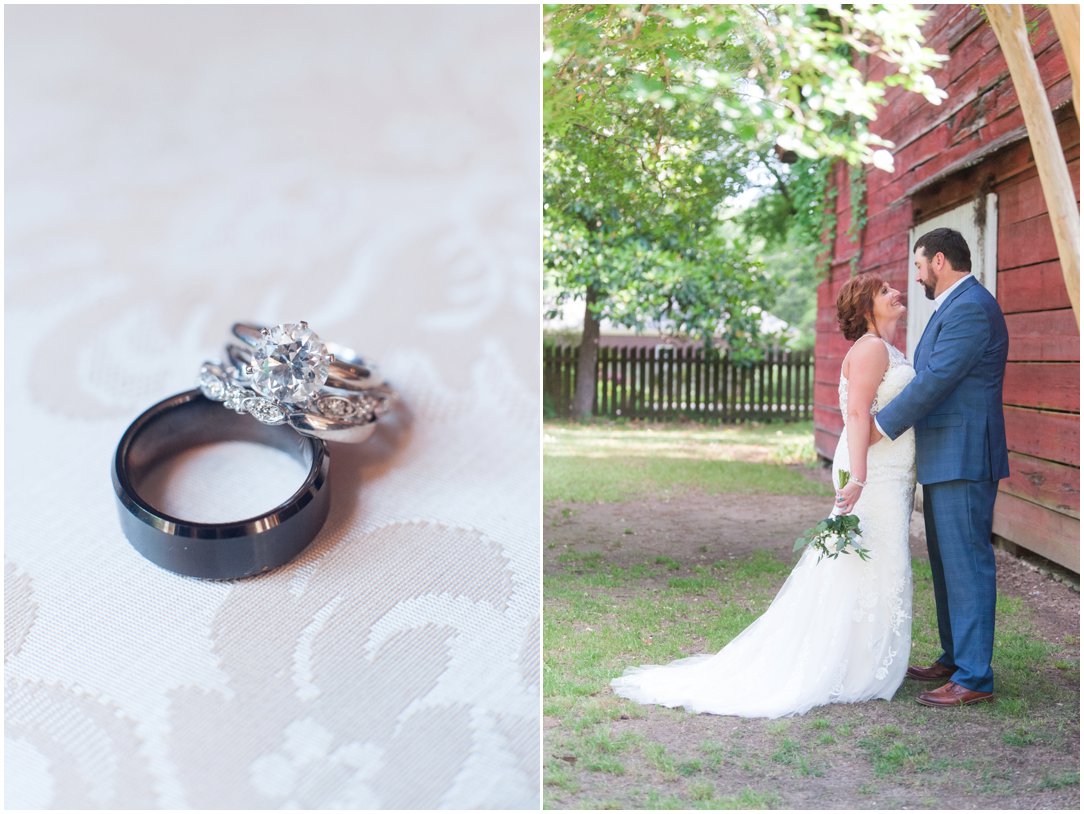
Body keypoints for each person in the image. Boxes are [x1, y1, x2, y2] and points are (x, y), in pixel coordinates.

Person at [611, 274, 916, 718]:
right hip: (872, 475)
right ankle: (850, 666)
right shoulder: (870, 348)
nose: (895, 293)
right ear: (868, 307)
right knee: (869, 562)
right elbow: (855, 414)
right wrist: (860, 479)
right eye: (884, 291)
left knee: (870, 563)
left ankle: (858, 659)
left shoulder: (885, 349)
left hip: (889, 472)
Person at [871, 227, 1009, 707]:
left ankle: (974, 677)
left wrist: (881, 426)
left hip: (965, 454)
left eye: (918, 264)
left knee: (967, 564)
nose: (916, 274)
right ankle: (955, 657)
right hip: (945, 454)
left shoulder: (970, 307)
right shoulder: (951, 306)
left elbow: (938, 380)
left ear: (941, 261)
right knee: (949, 565)